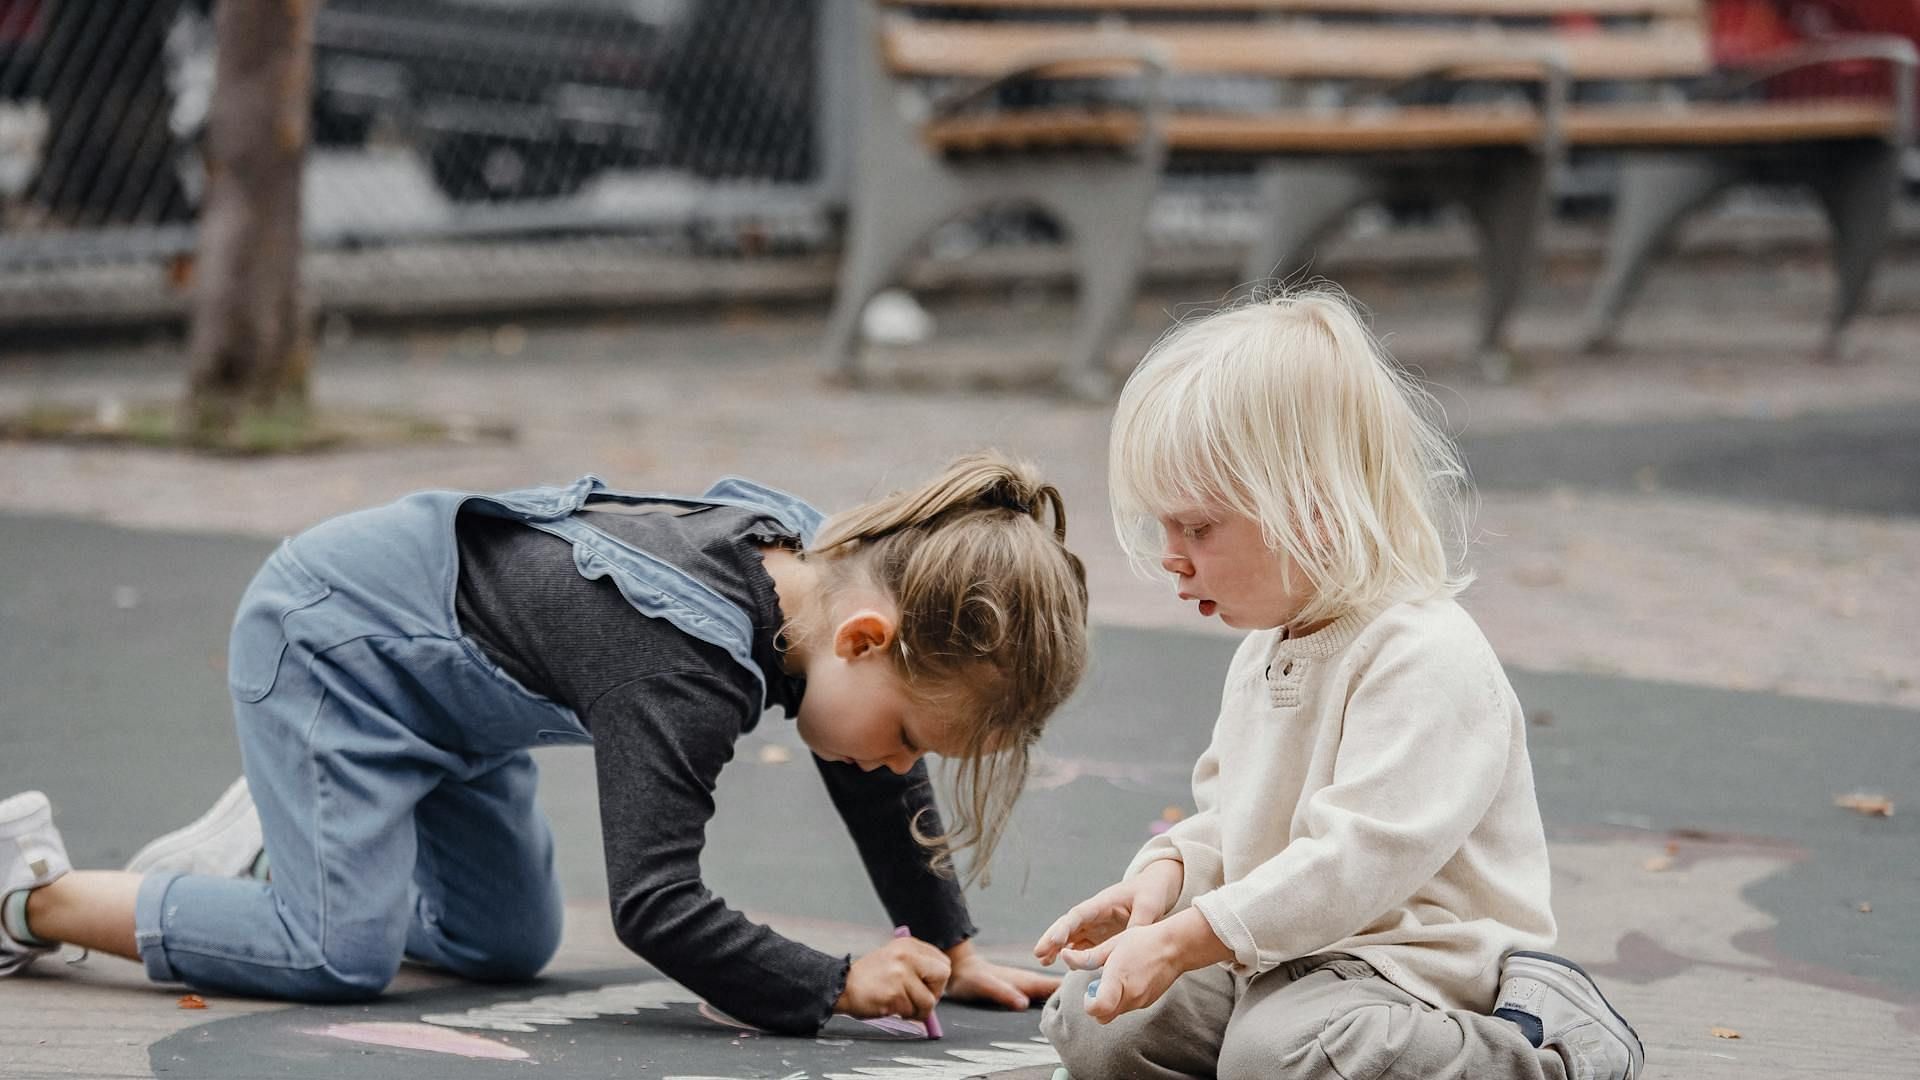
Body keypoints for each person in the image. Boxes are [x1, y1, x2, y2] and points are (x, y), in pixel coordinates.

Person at [0, 451, 1088, 1036]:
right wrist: (828, 980)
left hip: (448, 705)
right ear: (865, 637)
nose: (902, 765)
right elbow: (656, 904)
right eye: (910, 736)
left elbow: (863, 770)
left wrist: (946, 944)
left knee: (505, 940)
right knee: (339, 953)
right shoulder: (685, 660)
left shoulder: (818, 574)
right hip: (332, 645)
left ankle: (304, 845)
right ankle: (31, 891)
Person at [1034, 290, 1644, 1079]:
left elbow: (1355, 861)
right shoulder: (1268, 646)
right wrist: (1164, 881)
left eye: (1198, 528)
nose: (1171, 557)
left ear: (1314, 509)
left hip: (1414, 966)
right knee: (1097, 1023)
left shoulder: (1422, 652)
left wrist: (1188, 940)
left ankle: (1548, 1052)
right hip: (1283, 951)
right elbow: (1239, 822)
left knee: (1280, 1054)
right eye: (1163, 528)